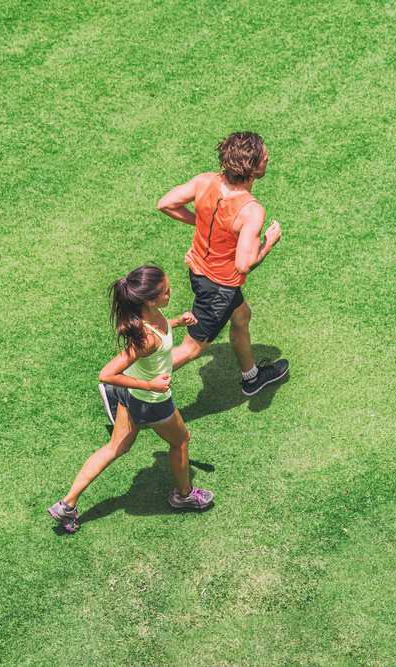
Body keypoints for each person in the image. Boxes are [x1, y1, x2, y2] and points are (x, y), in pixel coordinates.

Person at [48, 265, 213, 533]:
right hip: (151, 401)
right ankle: (183, 496)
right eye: (166, 291)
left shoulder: (150, 316)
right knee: (181, 440)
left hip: (132, 398)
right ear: (150, 300)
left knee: (117, 447)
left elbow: (160, 329)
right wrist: (151, 384)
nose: (170, 293)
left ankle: (66, 505)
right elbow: (107, 374)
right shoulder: (145, 339)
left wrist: (178, 323)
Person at [157, 131, 289, 396]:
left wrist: (201, 220)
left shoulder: (205, 181)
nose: (268, 158)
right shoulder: (251, 211)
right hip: (219, 287)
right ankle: (124, 387)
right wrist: (268, 243)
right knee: (192, 349)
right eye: (264, 157)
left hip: (197, 270)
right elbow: (244, 265)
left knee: (242, 316)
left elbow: (166, 204)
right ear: (252, 168)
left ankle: (251, 378)